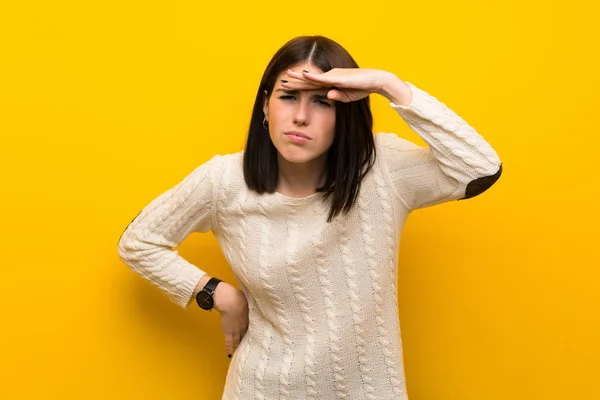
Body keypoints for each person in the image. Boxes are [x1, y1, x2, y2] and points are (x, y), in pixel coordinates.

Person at [117, 35, 502, 400]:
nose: (300, 116)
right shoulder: (224, 181)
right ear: (266, 105)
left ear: (345, 115)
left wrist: (390, 86)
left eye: (322, 102)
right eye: (288, 96)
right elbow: (139, 241)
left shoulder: (383, 169)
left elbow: (479, 167)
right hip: (262, 387)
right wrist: (218, 294)